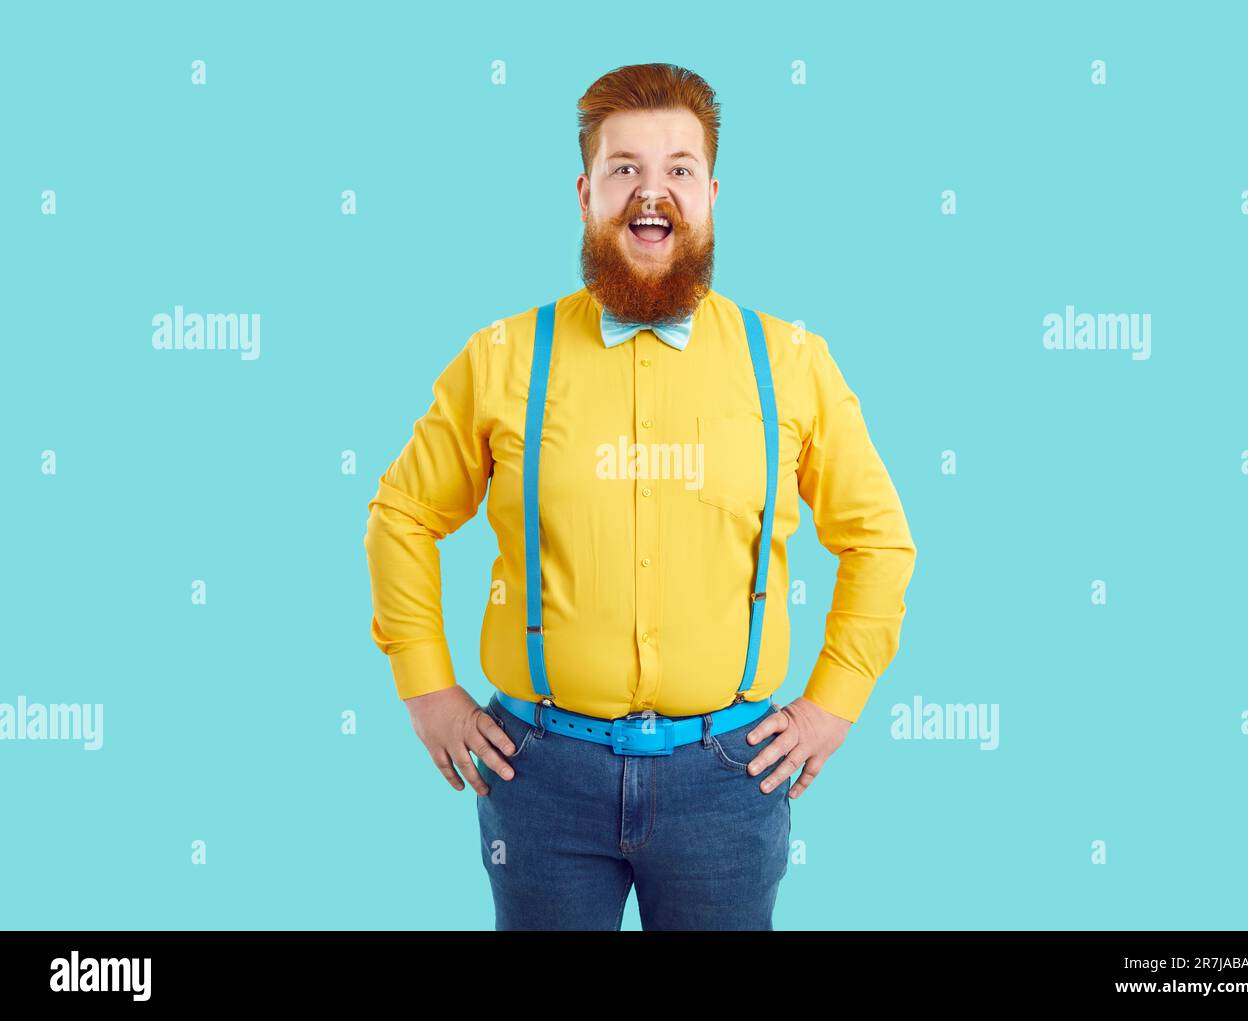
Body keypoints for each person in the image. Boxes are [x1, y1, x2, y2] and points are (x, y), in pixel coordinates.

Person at [363, 62, 917, 930]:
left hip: (732, 780)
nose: (649, 193)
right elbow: (402, 513)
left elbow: (879, 540)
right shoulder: (503, 358)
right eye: (624, 168)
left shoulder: (790, 362)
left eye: (678, 169)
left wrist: (831, 702)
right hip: (537, 777)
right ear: (585, 192)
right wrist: (427, 686)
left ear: (711, 192)